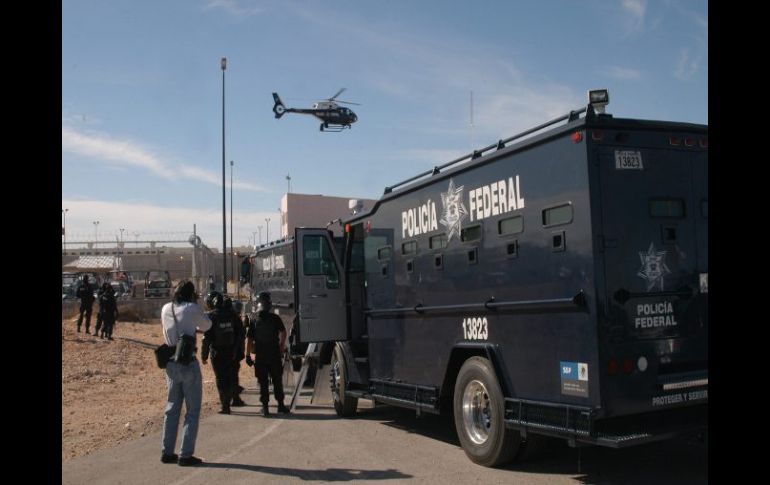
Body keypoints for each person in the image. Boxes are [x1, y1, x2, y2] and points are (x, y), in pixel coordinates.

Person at [160, 280, 211, 467]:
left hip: (170, 363)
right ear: (191, 294)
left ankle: (167, 452)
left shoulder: (166, 308)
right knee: (192, 410)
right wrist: (198, 307)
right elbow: (207, 326)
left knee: (172, 408)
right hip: (188, 362)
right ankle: (185, 454)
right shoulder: (192, 308)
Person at [245, 291, 289, 416]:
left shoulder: (254, 319)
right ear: (269, 304)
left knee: (263, 382)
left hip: (261, 356)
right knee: (277, 380)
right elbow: (283, 332)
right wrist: (281, 346)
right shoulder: (275, 318)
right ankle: (280, 405)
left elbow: (249, 340)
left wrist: (248, 355)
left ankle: (265, 408)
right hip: (274, 354)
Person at [201, 292, 238, 415]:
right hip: (230, 351)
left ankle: (225, 406)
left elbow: (207, 338)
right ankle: (228, 402)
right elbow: (239, 333)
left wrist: (204, 355)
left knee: (220, 378)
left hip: (217, 352)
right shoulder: (232, 315)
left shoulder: (212, 316)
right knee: (228, 377)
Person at [229, 298, 246, 407]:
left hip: (230, 352)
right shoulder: (236, 320)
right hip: (234, 352)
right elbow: (241, 337)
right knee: (233, 375)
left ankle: (234, 395)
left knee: (232, 374)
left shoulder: (231, 318)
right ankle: (234, 397)